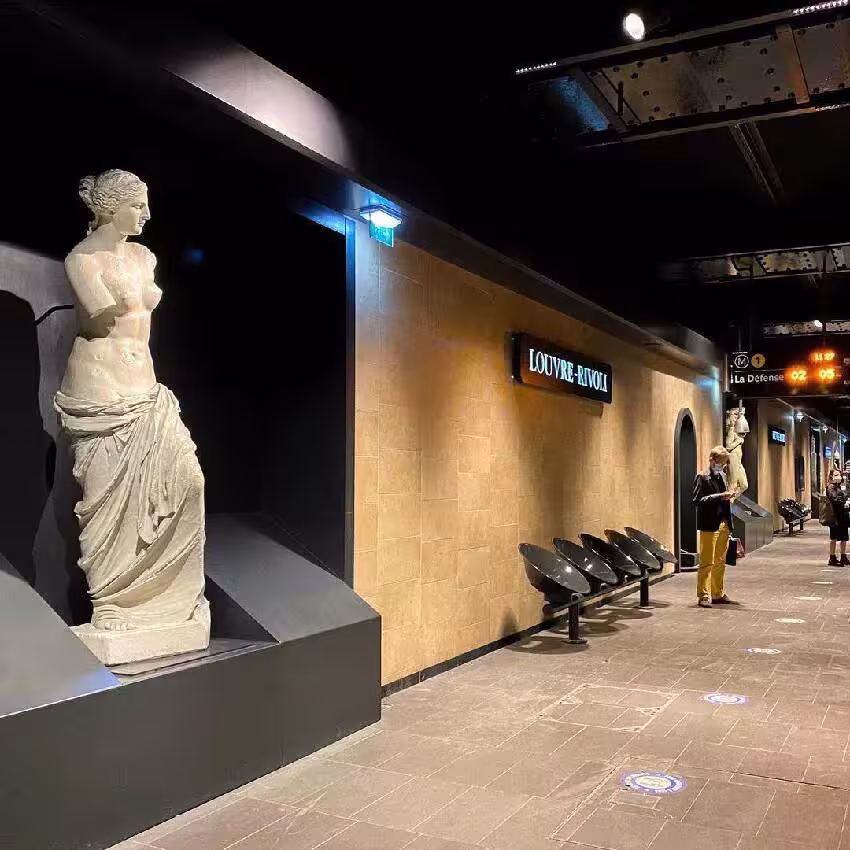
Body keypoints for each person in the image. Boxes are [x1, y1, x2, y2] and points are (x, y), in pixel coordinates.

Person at [692, 446, 735, 608]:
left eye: (724, 463)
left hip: (723, 523)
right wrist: (720, 496)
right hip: (709, 525)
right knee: (706, 562)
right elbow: (698, 500)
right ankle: (703, 595)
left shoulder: (722, 476)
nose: (723, 466)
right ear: (713, 460)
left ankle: (717, 593)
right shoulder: (702, 477)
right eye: (721, 462)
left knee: (720, 562)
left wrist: (728, 496)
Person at [826, 468, 850, 566]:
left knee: (844, 537)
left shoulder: (840, 486)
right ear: (831, 476)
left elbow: (845, 495)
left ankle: (843, 556)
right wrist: (844, 502)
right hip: (835, 516)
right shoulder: (830, 487)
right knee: (834, 537)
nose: (838, 477)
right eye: (836, 475)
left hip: (843, 515)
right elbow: (834, 498)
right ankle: (832, 558)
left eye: (839, 475)